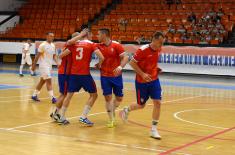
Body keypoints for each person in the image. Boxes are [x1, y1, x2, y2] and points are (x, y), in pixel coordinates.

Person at [120, 31, 165, 139]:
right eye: (160, 42)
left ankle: (153, 130)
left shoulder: (159, 49)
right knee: (141, 105)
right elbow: (132, 63)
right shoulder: (143, 50)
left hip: (154, 80)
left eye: (162, 43)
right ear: (154, 39)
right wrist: (142, 74)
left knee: (157, 103)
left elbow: (152, 62)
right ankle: (127, 109)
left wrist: (156, 68)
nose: (161, 45)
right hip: (141, 82)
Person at [56, 29, 104, 125]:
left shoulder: (74, 44)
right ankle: (83, 116)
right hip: (84, 74)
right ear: (88, 34)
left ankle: (61, 117)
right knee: (94, 95)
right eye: (92, 34)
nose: (92, 36)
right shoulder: (91, 44)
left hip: (73, 74)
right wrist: (99, 64)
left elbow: (60, 56)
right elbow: (102, 57)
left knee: (68, 96)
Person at [50, 31, 87, 121]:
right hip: (65, 73)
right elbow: (60, 56)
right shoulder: (70, 45)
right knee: (64, 94)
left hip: (64, 72)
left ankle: (55, 113)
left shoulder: (70, 45)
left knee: (63, 94)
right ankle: (56, 114)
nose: (80, 40)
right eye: (79, 38)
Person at [97, 28, 129, 128]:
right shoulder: (98, 46)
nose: (97, 36)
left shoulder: (116, 45)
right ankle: (111, 119)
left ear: (104, 35)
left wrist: (120, 67)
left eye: (98, 34)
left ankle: (112, 109)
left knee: (119, 98)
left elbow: (126, 57)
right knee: (108, 98)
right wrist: (99, 64)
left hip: (116, 76)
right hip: (104, 76)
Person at [31, 32, 58, 104]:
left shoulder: (53, 45)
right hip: (43, 66)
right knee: (49, 81)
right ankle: (53, 98)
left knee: (42, 81)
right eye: (50, 36)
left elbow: (54, 55)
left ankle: (34, 95)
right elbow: (37, 56)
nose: (52, 37)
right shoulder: (42, 45)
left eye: (53, 36)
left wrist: (57, 63)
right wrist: (33, 65)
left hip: (49, 66)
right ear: (47, 36)